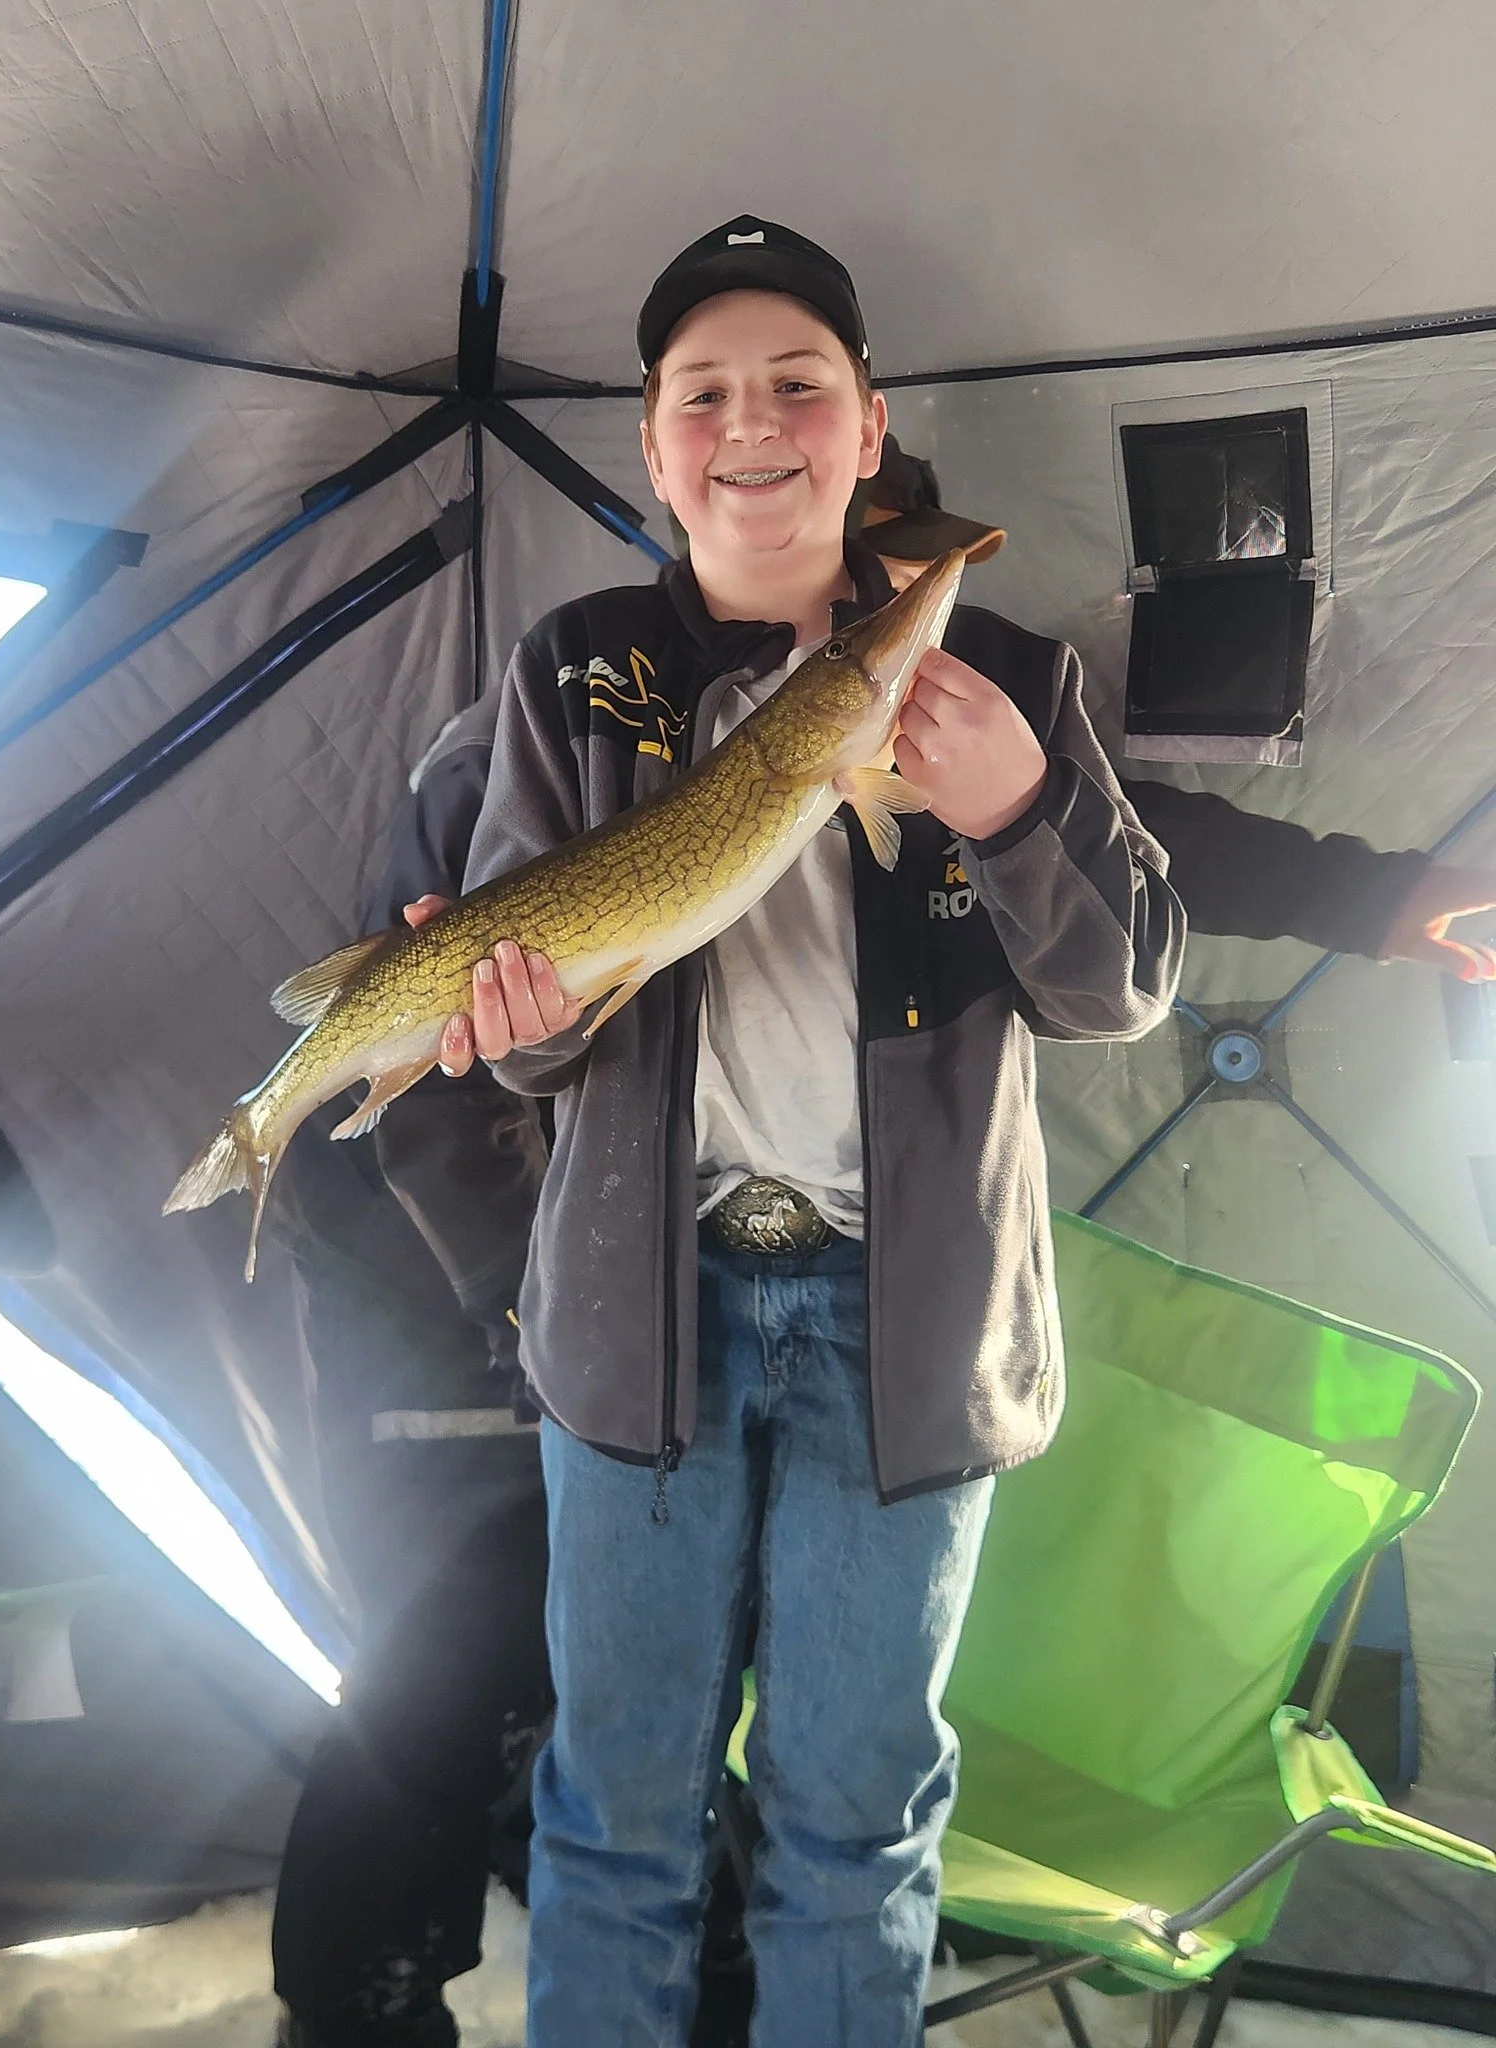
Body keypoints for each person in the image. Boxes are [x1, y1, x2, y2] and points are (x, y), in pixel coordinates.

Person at [421, 215, 1184, 2046]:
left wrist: (1007, 809)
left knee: (856, 1828)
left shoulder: (999, 668)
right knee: (616, 1825)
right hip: (638, 1311)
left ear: (866, 425)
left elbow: (1123, 985)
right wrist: (515, 1036)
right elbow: (525, 1035)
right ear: (653, 445)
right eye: (706, 393)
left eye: (797, 384)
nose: (751, 423)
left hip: (903, 1332)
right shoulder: (573, 668)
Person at [266, 688, 552, 2048]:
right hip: (427, 1305)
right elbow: (420, 1091)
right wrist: (515, 1313)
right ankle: (356, 2000)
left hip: (537, 1326)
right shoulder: (519, 742)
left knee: (514, 1685)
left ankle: (392, 1970)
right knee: (433, 1681)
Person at [845, 435, 1496, 982]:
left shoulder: (963, 709)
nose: (917, 612)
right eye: (888, 582)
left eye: (924, 582)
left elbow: (1139, 836)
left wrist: (1364, 899)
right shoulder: (749, 704)